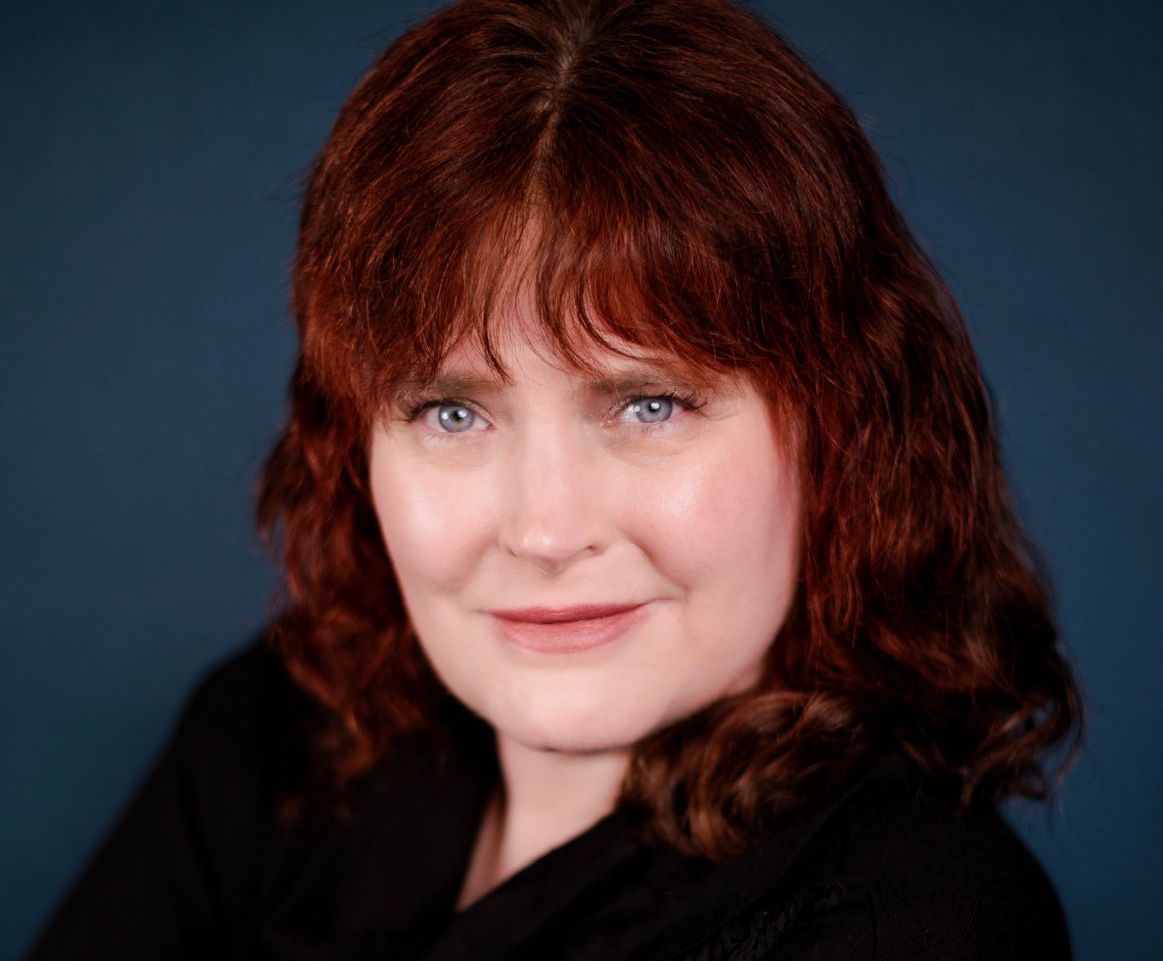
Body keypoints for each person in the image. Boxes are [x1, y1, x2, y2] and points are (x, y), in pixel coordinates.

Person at [28, 0, 1084, 958]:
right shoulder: (271, 738)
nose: (543, 527)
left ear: (841, 430)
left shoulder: (924, 918)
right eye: (451, 412)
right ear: (353, 446)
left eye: (646, 404)